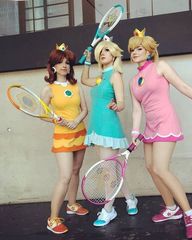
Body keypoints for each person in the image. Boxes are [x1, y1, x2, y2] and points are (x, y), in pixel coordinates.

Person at [127, 28, 192, 239]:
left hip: (166, 122)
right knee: (150, 167)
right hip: (150, 127)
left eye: (139, 48)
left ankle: (190, 214)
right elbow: (137, 109)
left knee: (161, 168)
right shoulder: (133, 81)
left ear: (149, 51)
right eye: (131, 50)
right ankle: (171, 208)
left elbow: (182, 86)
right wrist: (135, 132)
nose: (134, 52)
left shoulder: (160, 66)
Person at [81, 39, 138, 227]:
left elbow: (122, 103)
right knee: (113, 169)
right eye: (101, 51)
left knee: (109, 172)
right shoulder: (100, 77)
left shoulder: (115, 75)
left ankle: (108, 210)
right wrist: (87, 61)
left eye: (107, 50)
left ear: (114, 54)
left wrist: (117, 105)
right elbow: (83, 80)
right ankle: (130, 199)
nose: (103, 53)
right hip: (97, 127)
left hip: (109, 129)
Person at [41, 43, 89, 234]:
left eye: (67, 62)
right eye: (60, 62)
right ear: (53, 66)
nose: (64, 66)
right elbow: (42, 113)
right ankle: (52, 219)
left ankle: (72, 204)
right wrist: (56, 119)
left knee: (76, 171)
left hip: (79, 133)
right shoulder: (49, 89)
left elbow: (84, 109)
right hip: (62, 137)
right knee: (65, 176)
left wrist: (76, 120)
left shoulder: (75, 86)